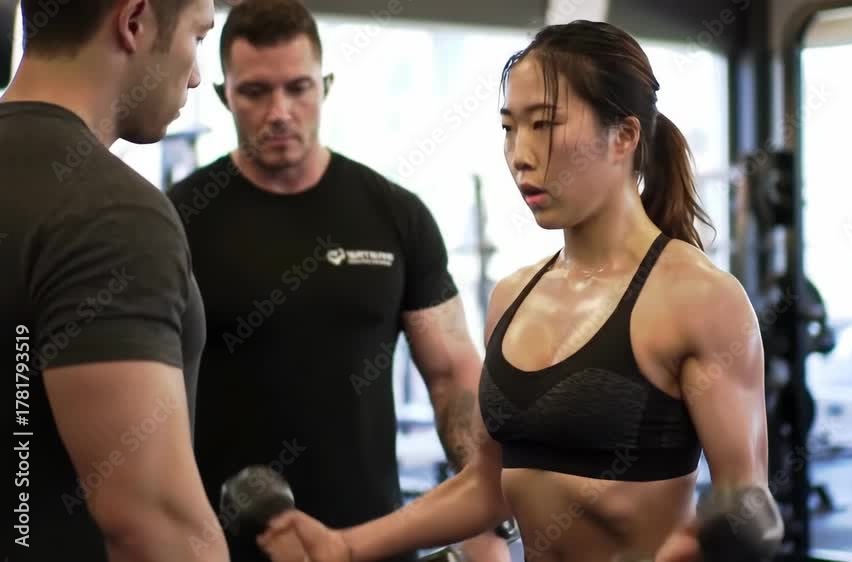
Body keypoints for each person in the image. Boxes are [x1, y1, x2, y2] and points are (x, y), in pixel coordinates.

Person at [255, 19, 783, 562]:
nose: (520, 155)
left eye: (544, 124)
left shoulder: (700, 300)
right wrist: (345, 545)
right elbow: (485, 486)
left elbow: (747, 513)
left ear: (624, 137)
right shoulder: (513, 297)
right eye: (510, 128)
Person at [165, 1, 512, 561]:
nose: (280, 112)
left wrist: (489, 526)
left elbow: (453, 376)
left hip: (373, 544)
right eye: (256, 92)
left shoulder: (395, 215)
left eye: (298, 88)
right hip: (222, 548)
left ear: (324, 86)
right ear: (225, 95)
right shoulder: (178, 221)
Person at [0, 1, 228, 562]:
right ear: (134, 21)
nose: (196, 77)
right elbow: (156, 530)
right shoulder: (111, 215)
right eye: (198, 39)